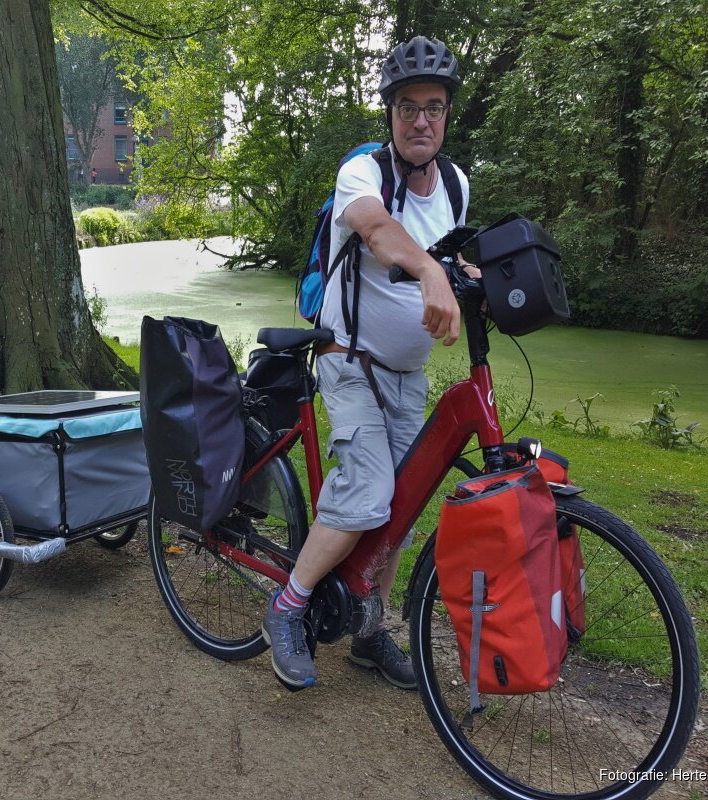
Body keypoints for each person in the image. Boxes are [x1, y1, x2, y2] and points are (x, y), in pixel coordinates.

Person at [262, 36, 476, 690]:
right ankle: (288, 605)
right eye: (408, 106)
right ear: (390, 113)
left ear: (447, 115)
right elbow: (378, 231)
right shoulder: (363, 172)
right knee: (368, 492)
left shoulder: (457, 185)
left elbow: (453, 258)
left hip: (407, 375)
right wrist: (431, 273)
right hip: (348, 359)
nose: (420, 120)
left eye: (433, 107)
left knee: (402, 508)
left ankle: (367, 630)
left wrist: (473, 278)